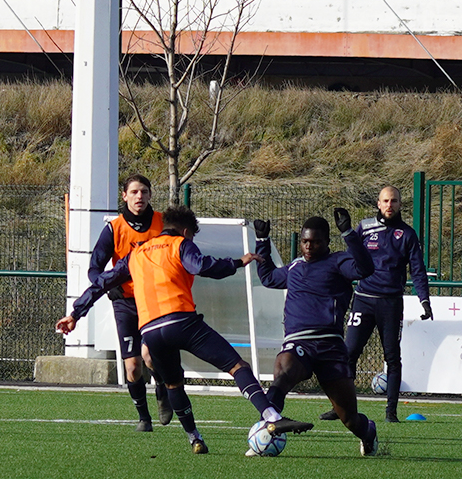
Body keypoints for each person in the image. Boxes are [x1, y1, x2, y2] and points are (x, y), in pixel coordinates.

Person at [58, 205, 313, 453]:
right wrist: (237, 262)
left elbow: (101, 283)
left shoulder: (137, 253)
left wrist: (74, 314)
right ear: (188, 232)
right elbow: (201, 266)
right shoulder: (180, 244)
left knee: (174, 386)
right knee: (238, 367)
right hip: (183, 322)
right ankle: (271, 415)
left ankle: (195, 438)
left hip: (151, 331)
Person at [254, 210, 380, 456]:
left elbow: (365, 268)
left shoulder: (338, 262)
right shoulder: (295, 267)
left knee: (350, 419)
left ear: (327, 243)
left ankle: (369, 433)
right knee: (284, 371)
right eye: (305, 241)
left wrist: (349, 234)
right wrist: (262, 242)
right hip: (299, 342)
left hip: (330, 347)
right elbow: (268, 277)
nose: (309, 247)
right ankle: (266, 427)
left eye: (315, 242)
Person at [320, 185, 431, 423]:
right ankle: (339, 408)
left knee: (392, 357)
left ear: (400, 204)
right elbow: (350, 257)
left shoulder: (408, 235)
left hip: (390, 304)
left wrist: (424, 300)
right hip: (363, 299)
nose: (390, 205)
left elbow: (418, 270)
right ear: (378, 204)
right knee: (348, 353)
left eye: (394, 201)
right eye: (386, 201)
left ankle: (391, 412)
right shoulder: (365, 227)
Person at [88, 173, 172, 431]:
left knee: (150, 356)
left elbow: (179, 254)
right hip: (125, 302)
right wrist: (108, 285)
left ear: (150, 196)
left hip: (156, 301)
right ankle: (143, 418)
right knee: (133, 367)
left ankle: (161, 386)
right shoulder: (114, 229)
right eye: (134, 192)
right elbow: (94, 269)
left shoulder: (163, 224)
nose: (139, 196)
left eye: (144, 192)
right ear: (124, 196)